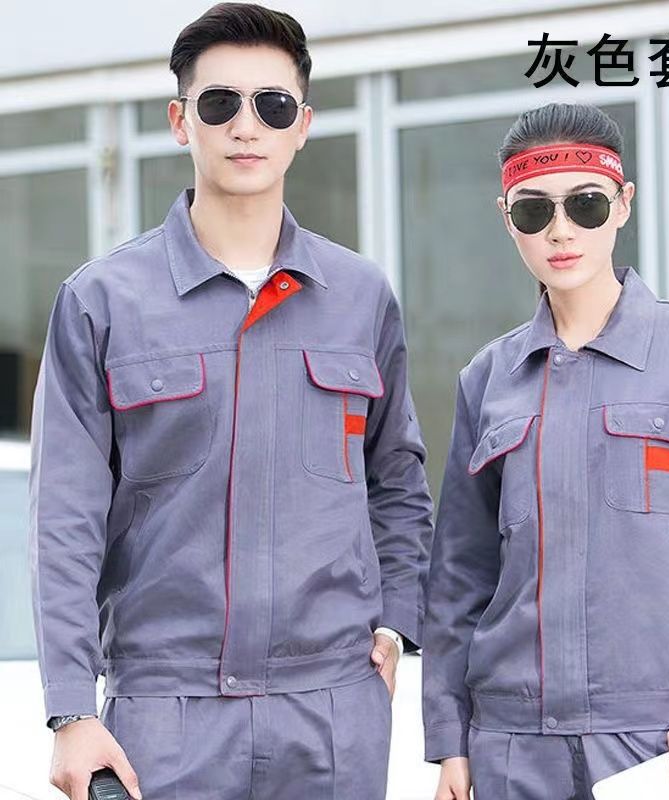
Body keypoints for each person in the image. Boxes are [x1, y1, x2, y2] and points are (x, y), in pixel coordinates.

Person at [29, 4, 433, 799]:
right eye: (220, 103)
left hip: (332, 711)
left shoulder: (360, 297)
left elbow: (398, 482)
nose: (247, 126)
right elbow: (64, 519)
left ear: (302, 126)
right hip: (166, 715)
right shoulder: (102, 301)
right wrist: (70, 707)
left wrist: (395, 624)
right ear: (181, 120)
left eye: (272, 105)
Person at [421, 102, 669, 800]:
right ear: (507, 219)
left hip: (658, 740)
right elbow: (459, 574)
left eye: (585, 205)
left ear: (623, 205)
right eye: (534, 211)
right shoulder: (488, 378)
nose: (561, 231)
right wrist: (450, 739)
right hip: (510, 744)